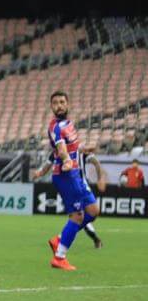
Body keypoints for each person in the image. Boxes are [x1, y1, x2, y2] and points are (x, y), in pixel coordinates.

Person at [45, 91, 99, 271]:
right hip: (65, 175)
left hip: (76, 174)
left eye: (62, 102)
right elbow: (61, 149)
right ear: (51, 107)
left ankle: (60, 239)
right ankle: (59, 257)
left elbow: (72, 146)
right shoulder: (55, 128)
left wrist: (84, 148)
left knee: (93, 210)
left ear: (68, 104)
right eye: (55, 103)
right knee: (77, 216)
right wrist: (67, 160)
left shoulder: (69, 124)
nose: (59, 105)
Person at [31, 141, 105, 249]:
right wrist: (39, 173)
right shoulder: (58, 151)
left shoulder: (76, 148)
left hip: (76, 184)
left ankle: (61, 241)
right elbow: (46, 167)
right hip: (75, 184)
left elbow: (94, 160)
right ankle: (62, 243)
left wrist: (100, 178)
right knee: (85, 214)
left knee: (85, 214)